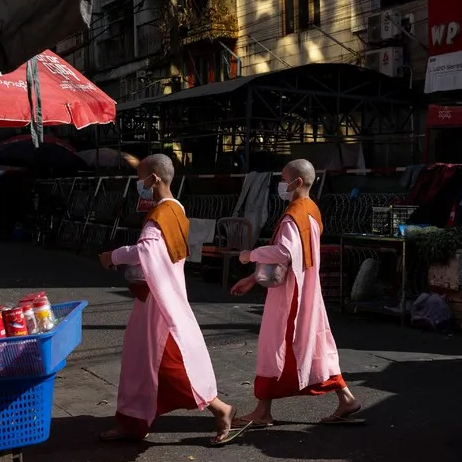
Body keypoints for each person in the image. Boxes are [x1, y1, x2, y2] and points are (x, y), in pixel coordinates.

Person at [97, 154, 237, 445]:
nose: (138, 184)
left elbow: (145, 251)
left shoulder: (160, 216)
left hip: (159, 303)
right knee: (141, 362)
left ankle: (220, 408)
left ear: (154, 179)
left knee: (170, 365)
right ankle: (132, 421)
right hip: (160, 296)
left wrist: (113, 256)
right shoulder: (177, 209)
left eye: (140, 178)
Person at [230, 159, 361, 428]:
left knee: (276, 346)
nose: (280, 184)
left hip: (290, 295)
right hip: (307, 290)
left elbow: (284, 253)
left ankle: (263, 411)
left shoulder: (294, 215)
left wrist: (249, 255)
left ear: (297, 182)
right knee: (314, 345)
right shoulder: (311, 210)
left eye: (283, 178)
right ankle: (345, 397)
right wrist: (254, 277)